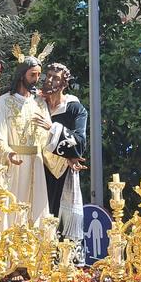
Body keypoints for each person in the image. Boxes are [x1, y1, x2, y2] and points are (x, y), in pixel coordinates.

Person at [0, 52, 55, 226]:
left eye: (38, 75)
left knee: (36, 214)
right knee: (9, 212)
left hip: (36, 164)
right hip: (12, 165)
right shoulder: (3, 102)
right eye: (32, 74)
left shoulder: (40, 103)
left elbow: (48, 138)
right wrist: (8, 153)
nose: (36, 79)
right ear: (21, 75)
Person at [42, 63, 88, 244]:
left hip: (61, 172)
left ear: (64, 83)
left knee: (59, 220)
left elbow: (80, 143)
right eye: (49, 76)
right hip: (37, 168)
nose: (51, 80)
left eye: (56, 78)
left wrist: (52, 128)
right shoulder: (37, 104)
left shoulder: (74, 108)